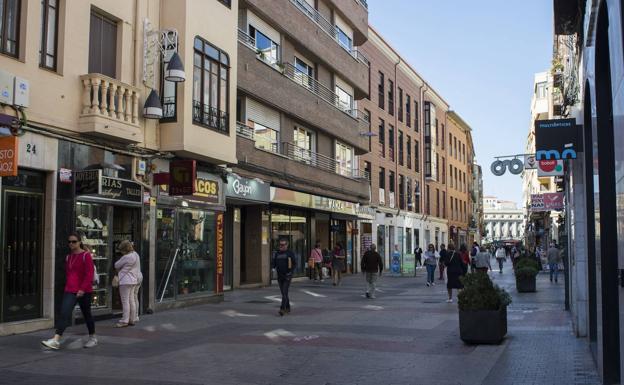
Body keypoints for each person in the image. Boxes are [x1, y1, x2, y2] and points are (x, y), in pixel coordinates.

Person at [42, 233, 97, 349]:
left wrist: (82, 289)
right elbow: (69, 273)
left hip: (84, 291)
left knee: (87, 314)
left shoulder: (86, 255)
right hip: (70, 289)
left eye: (74, 241)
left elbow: (89, 274)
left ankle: (93, 337)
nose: (71, 244)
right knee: (64, 313)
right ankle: (56, 340)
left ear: (79, 242)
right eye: (69, 242)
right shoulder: (69, 257)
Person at [114, 240, 143, 328]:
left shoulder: (126, 257)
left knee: (125, 301)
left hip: (125, 280)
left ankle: (124, 320)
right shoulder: (135, 255)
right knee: (132, 300)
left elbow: (116, 265)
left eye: (121, 250)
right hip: (134, 280)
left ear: (124, 249)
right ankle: (132, 318)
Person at [273, 239, 296, 316]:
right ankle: (288, 307)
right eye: (280, 245)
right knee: (284, 293)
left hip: (287, 276)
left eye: (283, 245)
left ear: (287, 245)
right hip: (280, 276)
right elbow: (274, 263)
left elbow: (294, 264)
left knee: (284, 292)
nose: (281, 246)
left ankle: (282, 309)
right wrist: (273, 268)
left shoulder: (290, 253)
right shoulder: (277, 253)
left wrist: (290, 272)